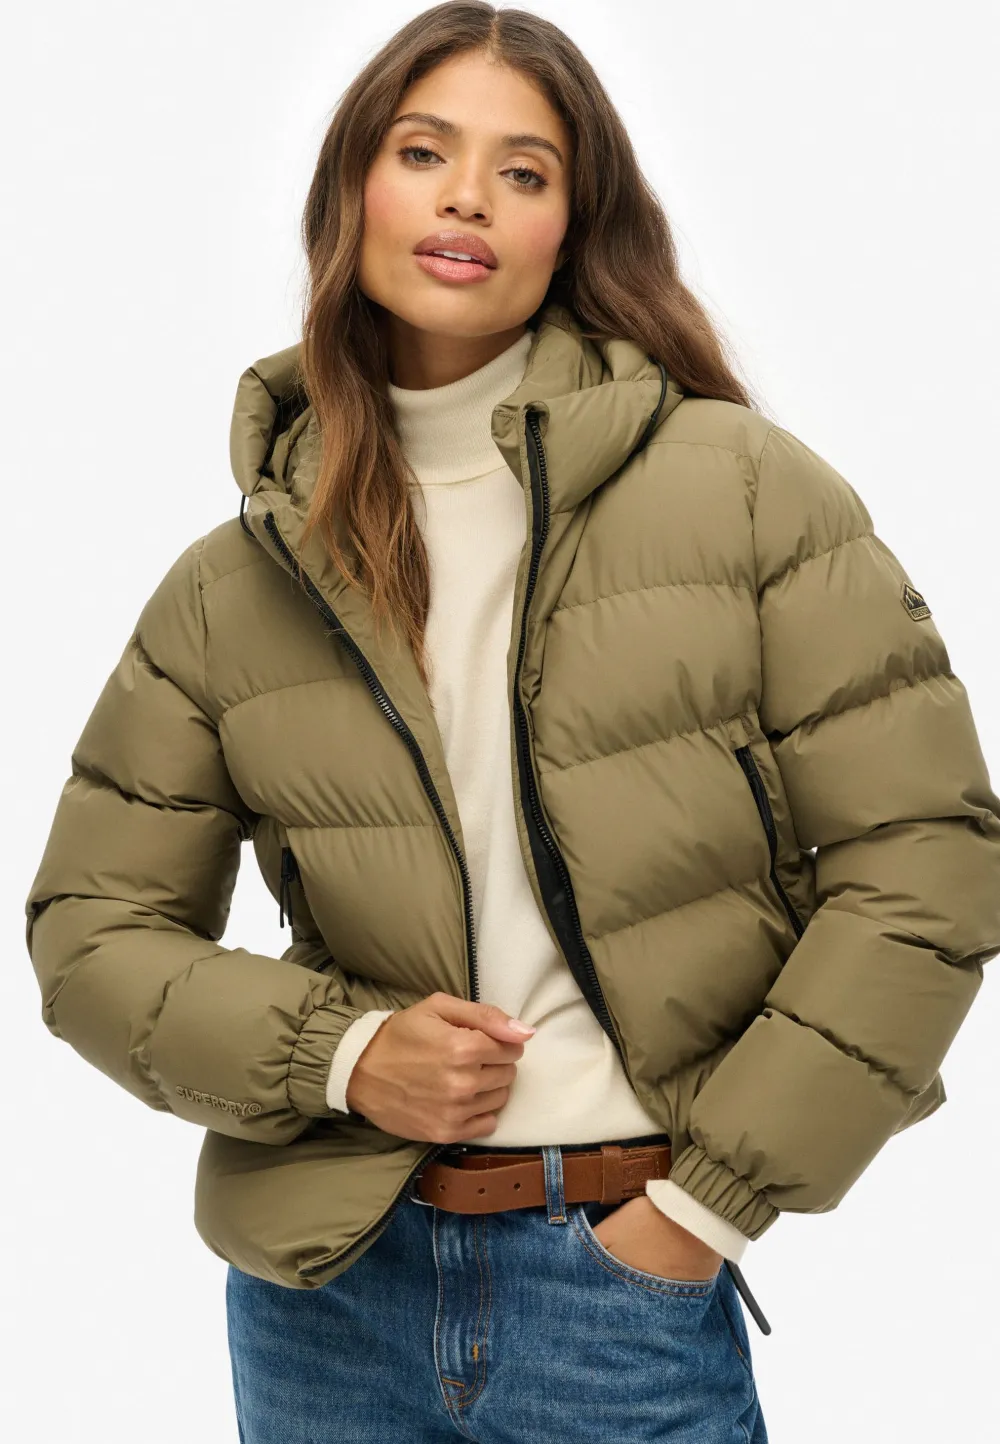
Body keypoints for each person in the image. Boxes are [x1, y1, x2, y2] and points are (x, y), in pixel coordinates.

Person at [23, 3, 1000, 1441]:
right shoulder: (235, 583)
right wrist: (345, 1054)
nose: (468, 196)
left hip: (622, 1281)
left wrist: (705, 1207)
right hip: (325, 1299)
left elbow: (927, 857)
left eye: (523, 170)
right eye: (424, 152)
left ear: (573, 227)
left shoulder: (744, 491)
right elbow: (91, 931)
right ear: (353, 190)